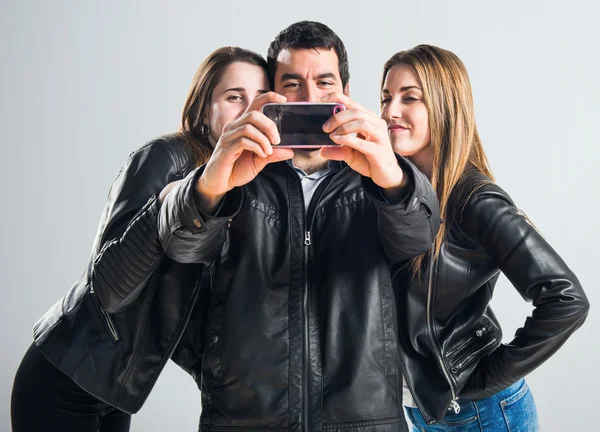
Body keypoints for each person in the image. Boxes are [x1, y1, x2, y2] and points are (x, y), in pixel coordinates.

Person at [157, 21, 440, 432]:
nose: (309, 98)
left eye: (325, 83)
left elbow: (418, 238)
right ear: (272, 94)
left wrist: (391, 177)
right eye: (293, 84)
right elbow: (180, 249)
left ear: (345, 90)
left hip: (364, 419)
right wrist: (212, 182)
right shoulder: (235, 171)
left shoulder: (382, 171)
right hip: (245, 419)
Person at [11, 46, 274, 432]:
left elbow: (190, 307)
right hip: (65, 375)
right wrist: (171, 205)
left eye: (261, 100)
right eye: (235, 97)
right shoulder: (166, 157)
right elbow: (108, 289)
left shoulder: (244, 185)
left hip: (117, 391)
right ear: (205, 109)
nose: (250, 112)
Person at [379, 44, 589, 431]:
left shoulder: (475, 199)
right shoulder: (395, 194)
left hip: (482, 415)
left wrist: (481, 381)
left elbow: (567, 299)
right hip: (424, 412)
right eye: (386, 97)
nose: (390, 111)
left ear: (445, 106)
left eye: (410, 98)